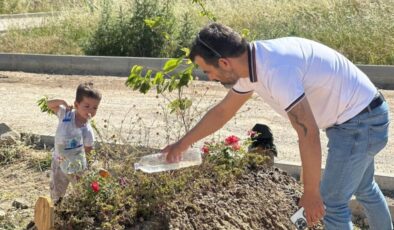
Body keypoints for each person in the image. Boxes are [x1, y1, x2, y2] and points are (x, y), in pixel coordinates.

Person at [162, 22, 392, 229]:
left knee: (331, 204)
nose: (211, 78)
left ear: (224, 62)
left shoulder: (277, 70)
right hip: (366, 116)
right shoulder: (251, 63)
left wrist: (311, 192)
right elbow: (224, 111)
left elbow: (308, 133)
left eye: (209, 71)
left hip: (359, 125)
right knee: (365, 188)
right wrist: (182, 144)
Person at [47, 82, 101, 204]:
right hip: (59, 162)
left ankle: (79, 210)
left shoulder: (87, 130)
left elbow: (88, 150)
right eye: (87, 106)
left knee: (81, 191)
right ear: (76, 104)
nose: (91, 111)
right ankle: (55, 211)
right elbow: (49, 104)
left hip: (76, 167)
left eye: (95, 107)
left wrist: (82, 169)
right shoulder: (66, 114)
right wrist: (62, 102)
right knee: (56, 192)